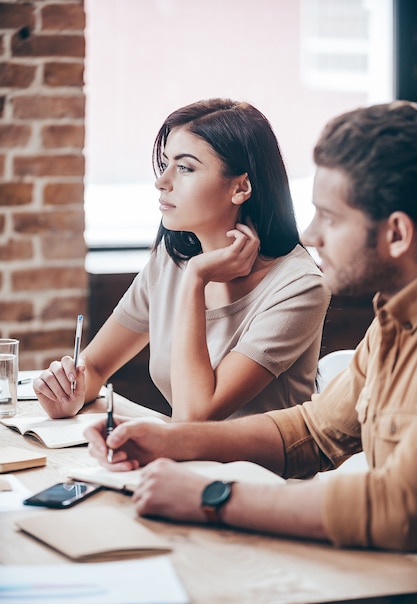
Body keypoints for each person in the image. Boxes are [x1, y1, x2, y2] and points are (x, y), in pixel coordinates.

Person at [84, 101, 417, 552]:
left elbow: (398, 508)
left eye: (332, 218)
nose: (313, 234)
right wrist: (172, 441)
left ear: (397, 234)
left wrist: (209, 496)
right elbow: (315, 430)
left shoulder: (299, 283)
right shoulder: (391, 326)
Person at [34, 99, 329, 422]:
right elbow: (96, 366)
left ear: (240, 187)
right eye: (165, 164)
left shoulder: (300, 286)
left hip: (259, 472)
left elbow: (195, 414)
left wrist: (197, 279)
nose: (162, 181)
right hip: (182, 463)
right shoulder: (171, 259)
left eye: (185, 167)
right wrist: (68, 393)